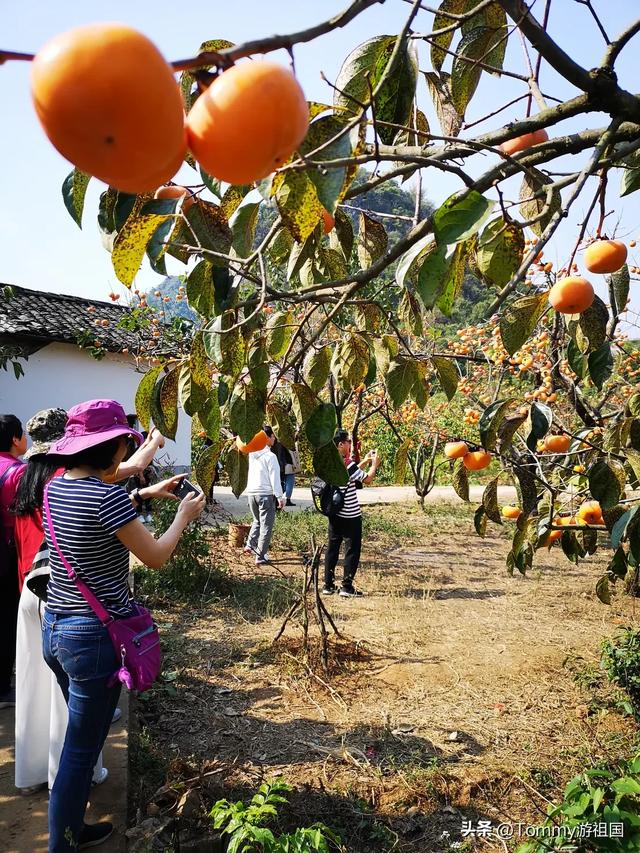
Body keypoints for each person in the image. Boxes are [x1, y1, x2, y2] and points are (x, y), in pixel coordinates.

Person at [42, 399, 205, 852]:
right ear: (113, 447)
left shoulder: (55, 488)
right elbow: (154, 556)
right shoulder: (108, 497)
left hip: (54, 626)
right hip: (91, 636)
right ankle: (61, 842)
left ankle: (72, 824)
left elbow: (101, 502)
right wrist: (182, 517)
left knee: (86, 738)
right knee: (81, 748)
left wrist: (147, 493)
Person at [12, 408, 109, 795]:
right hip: (61, 595)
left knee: (34, 687)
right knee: (66, 699)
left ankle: (32, 771)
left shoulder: (24, 478)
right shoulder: (61, 480)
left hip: (28, 589)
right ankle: (68, 780)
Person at [322, 429, 380, 598]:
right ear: (340, 444)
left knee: (332, 548)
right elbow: (367, 479)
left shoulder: (331, 462)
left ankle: (328, 585)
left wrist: (365, 461)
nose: (350, 444)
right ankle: (346, 587)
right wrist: (375, 464)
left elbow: (351, 474)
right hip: (350, 515)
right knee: (352, 550)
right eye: (348, 442)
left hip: (334, 513)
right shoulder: (347, 463)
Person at [0, 414, 27, 708]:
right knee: (8, 621)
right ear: (14, 440)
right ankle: (3, 689)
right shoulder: (18, 473)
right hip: (8, 557)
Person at [244, 425, 285, 565]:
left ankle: (250, 545)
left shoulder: (252, 454)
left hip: (251, 493)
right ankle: (261, 555)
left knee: (257, 520)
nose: (274, 438)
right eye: (272, 436)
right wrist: (280, 496)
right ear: (266, 438)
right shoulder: (270, 456)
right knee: (266, 526)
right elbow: (274, 477)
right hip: (265, 494)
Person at [270, 435, 297, 507]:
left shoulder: (274, 444)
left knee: (282, 482)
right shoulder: (283, 444)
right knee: (289, 482)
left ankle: (281, 499)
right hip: (286, 465)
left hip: (281, 466)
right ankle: (286, 499)